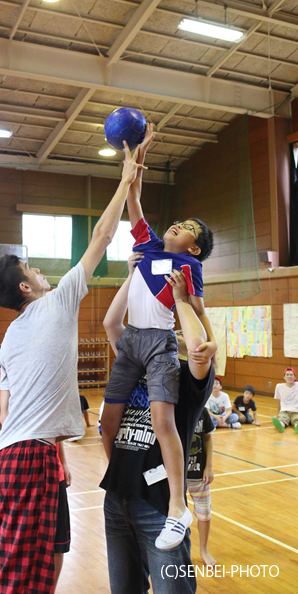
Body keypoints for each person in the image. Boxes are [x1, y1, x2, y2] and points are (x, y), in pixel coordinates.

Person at [0, 143, 143, 594]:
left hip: (7, 461)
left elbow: (10, 408)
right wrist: (126, 178)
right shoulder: (56, 303)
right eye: (31, 268)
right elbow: (102, 238)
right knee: (21, 583)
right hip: (29, 460)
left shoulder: (11, 336)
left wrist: (58, 452)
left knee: (39, 561)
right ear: (25, 286)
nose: (38, 269)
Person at [101, 123, 215, 550]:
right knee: (107, 422)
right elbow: (133, 198)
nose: (176, 225)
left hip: (160, 345)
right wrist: (140, 157)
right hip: (131, 339)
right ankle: (121, 480)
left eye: (186, 226)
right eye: (178, 220)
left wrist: (194, 313)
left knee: (163, 420)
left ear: (194, 248)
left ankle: (175, 506)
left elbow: (198, 314)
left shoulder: (189, 269)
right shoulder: (148, 247)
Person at [100, 260, 216, 594]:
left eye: (176, 332)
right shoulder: (135, 364)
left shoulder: (188, 382)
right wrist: (134, 275)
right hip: (117, 499)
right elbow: (112, 324)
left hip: (158, 507)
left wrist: (182, 301)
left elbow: (198, 349)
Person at [0, 368, 71, 591]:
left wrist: (64, 462)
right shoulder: (3, 374)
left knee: (57, 544)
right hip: (16, 468)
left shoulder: (48, 367)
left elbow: (55, 425)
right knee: (15, 545)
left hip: (53, 470)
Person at [186, 407, 216, 566]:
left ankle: (203, 550)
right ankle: (176, 551)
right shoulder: (170, 409)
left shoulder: (202, 411)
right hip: (176, 476)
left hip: (199, 474)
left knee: (204, 512)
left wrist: (209, 467)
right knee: (173, 514)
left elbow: (208, 439)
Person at [272, 367, 298, 433]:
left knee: (296, 420)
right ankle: (280, 425)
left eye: (291, 375)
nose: (289, 376)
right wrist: (278, 414)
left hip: (296, 411)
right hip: (284, 411)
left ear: (295, 377)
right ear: (284, 377)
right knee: (282, 419)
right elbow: (279, 401)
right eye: (287, 374)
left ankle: (297, 426)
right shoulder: (279, 386)